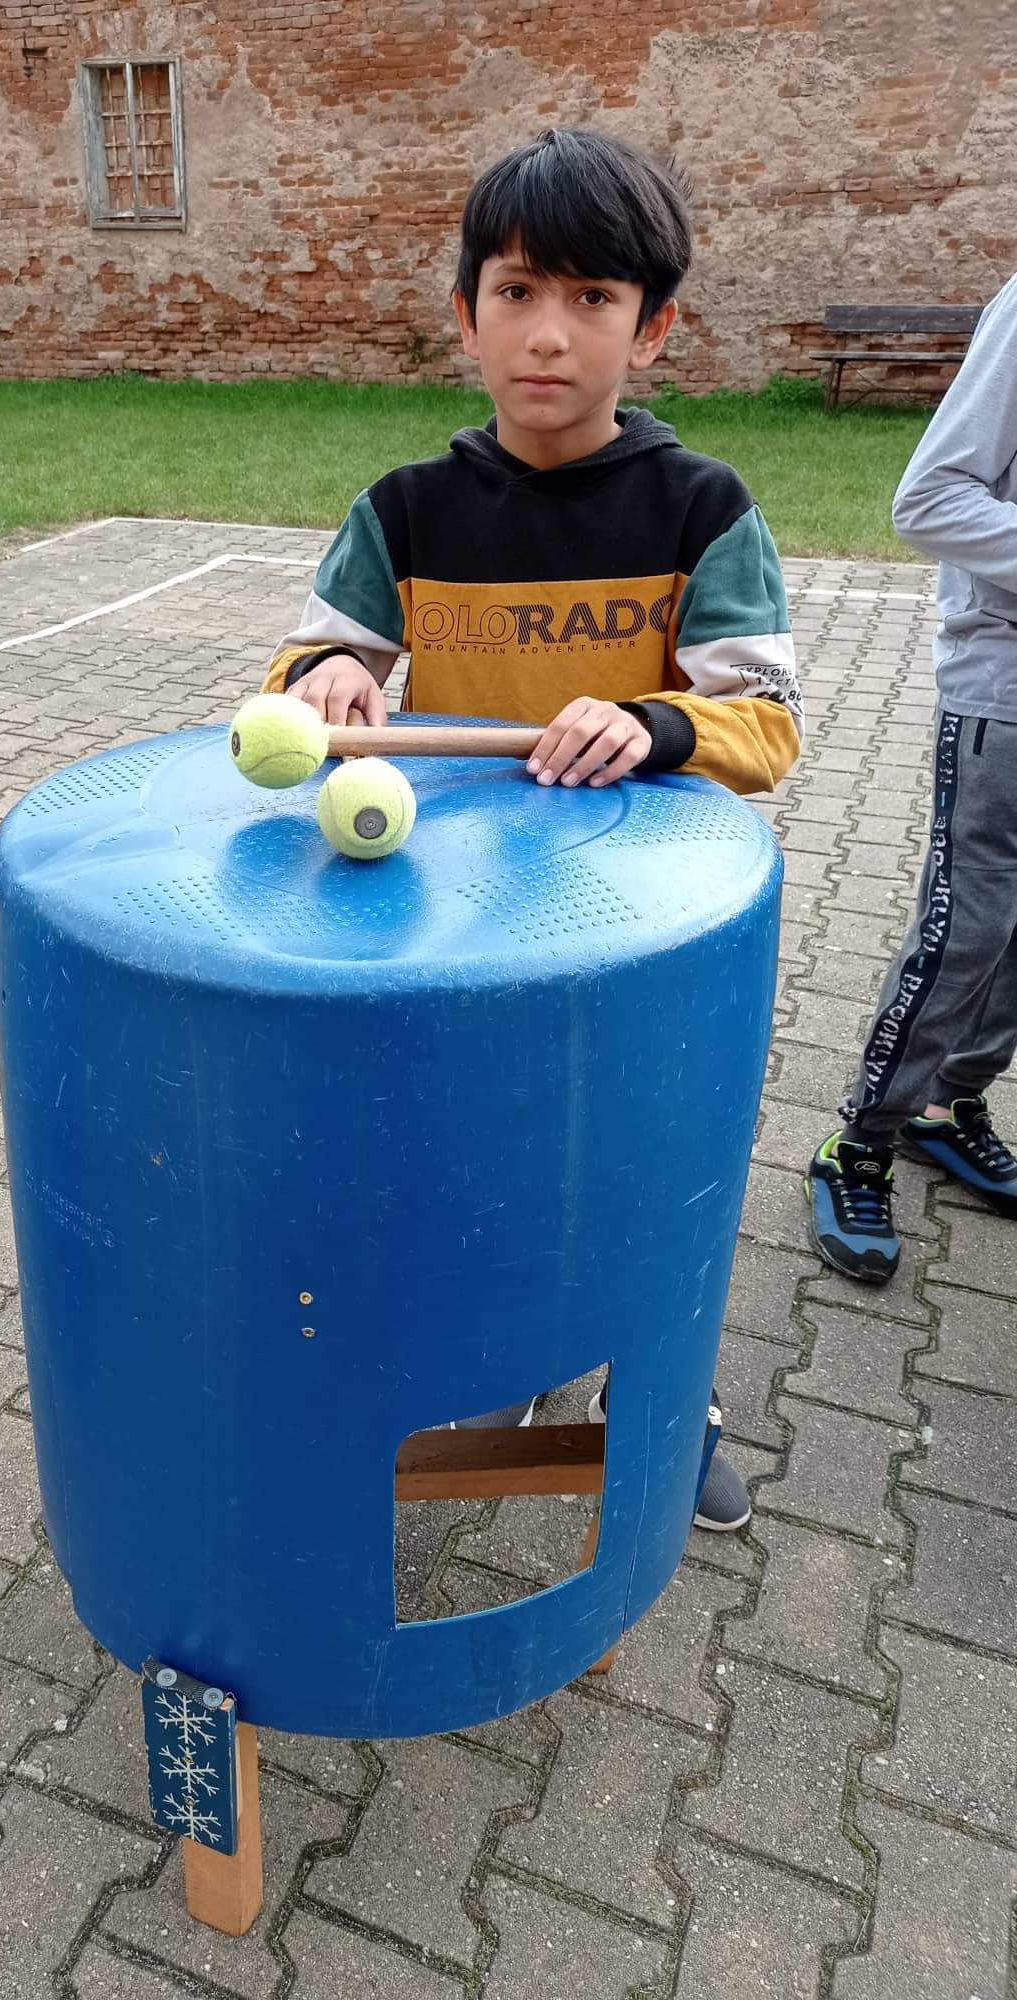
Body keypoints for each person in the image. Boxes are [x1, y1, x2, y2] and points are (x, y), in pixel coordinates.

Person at [261, 128, 804, 1531]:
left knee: (634, 1173)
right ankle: (486, 1354)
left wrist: (653, 722)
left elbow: (764, 725)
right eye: (514, 293)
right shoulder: (405, 511)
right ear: (466, 317)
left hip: (635, 933)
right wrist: (332, 678)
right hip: (448, 925)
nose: (547, 334)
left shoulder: (701, 509)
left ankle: (660, 1395)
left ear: (653, 329)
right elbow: (312, 663)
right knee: (465, 1159)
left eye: (591, 298)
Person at [805, 278, 1017, 1282]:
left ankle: (948, 1103)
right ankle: (861, 1141)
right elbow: (927, 498)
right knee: (967, 929)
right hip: (1001, 691)